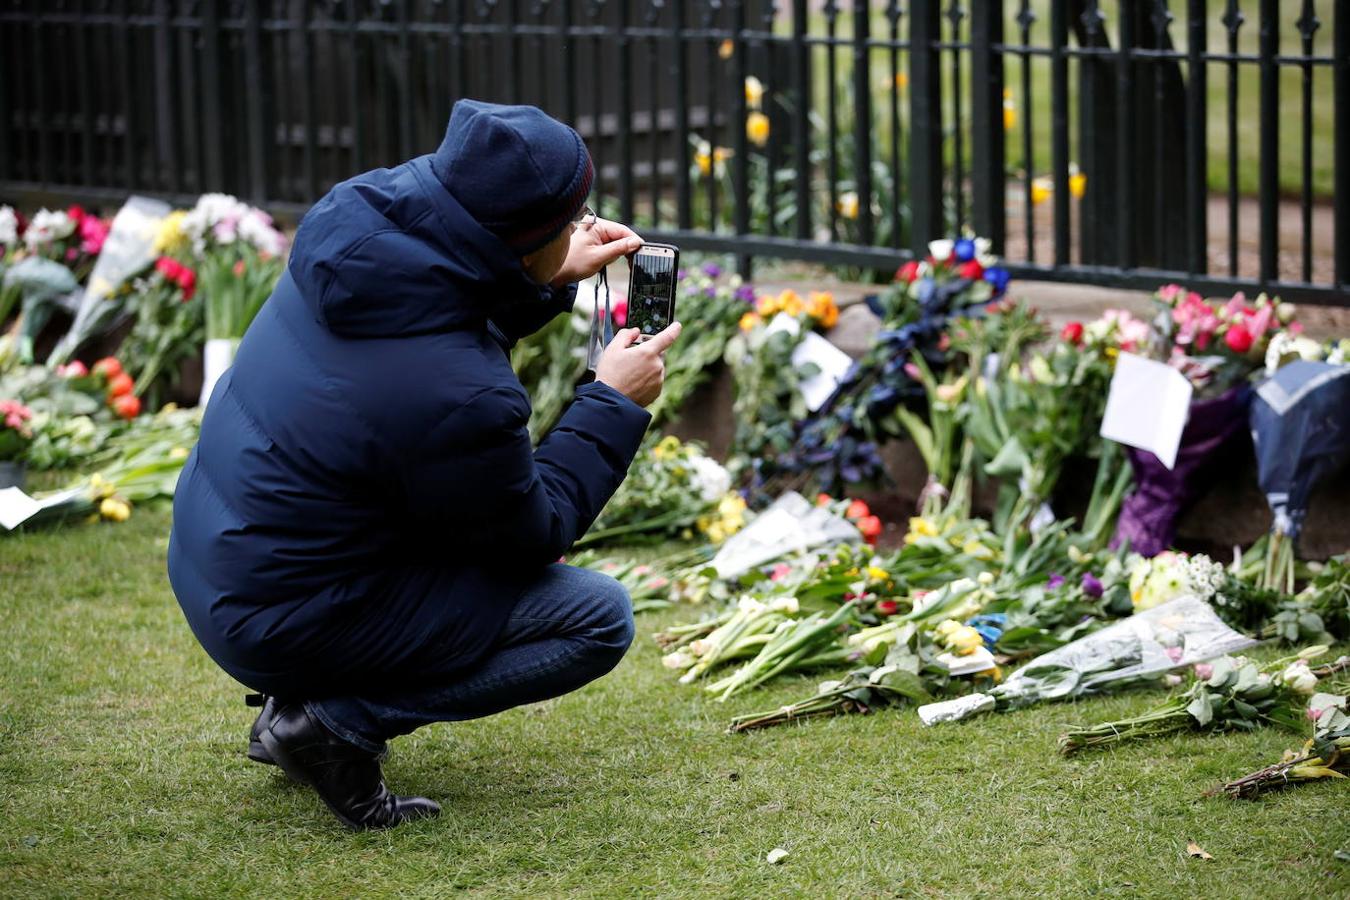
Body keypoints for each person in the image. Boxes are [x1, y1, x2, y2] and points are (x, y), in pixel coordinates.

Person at [167, 100, 681, 830]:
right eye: (571, 222)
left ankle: (308, 693)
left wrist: (551, 271)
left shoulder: (370, 220)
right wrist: (612, 403)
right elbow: (533, 535)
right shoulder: (458, 393)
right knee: (596, 619)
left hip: (229, 565)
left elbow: (439, 309)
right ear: (520, 237)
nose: (581, 229)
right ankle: (331, 721)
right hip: (274, 612)